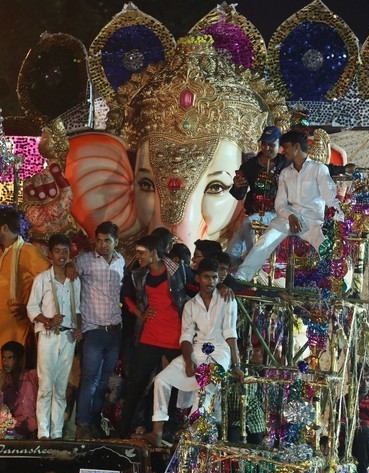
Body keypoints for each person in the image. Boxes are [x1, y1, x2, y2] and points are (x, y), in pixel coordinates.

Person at [141, 257, 242, 446]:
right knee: (161, 379)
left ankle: (193, 437)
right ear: (198, 278)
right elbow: (186, 337)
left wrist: (236, 365)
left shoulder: (227, 299)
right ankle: (157, 431)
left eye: (214, 277)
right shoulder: (190, 305)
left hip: (220, 352)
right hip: (197, 350)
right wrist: (188, 361)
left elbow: (230, 333)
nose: (210, 281)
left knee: (204, 387)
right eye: (206, 277)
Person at [236, 130, 341, 283]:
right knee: (265, 240)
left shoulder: (319, 169)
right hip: (287, 219)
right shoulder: (285, 173)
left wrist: (339, 223)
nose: (283, 151)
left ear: (296, 147)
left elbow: (331, 200)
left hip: (313, 222)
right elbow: (280, 203)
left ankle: (331, 285)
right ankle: (241, 278)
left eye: (286, 147)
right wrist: (290, 216)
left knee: (326, 247)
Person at [119, 234, 188, 438]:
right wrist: (139, 313)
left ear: (154, 253)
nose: (138, 256)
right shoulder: (139, 275)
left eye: (141, 253)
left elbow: (199, 284)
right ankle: (123, 431)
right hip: (150, 337)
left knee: (174, 386)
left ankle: (167, 431)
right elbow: (126, 296)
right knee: (136, 384)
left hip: (175, 338)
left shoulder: (178, 270)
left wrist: (223, 286)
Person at [0, 208, 49, 380]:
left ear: (4, 228)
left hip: (15, 326)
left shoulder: (28, 251)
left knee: (14, 374)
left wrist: (31, 308)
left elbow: (50, 281)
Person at [72, 221, 125, 439]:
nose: (102, 245)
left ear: (116, 242)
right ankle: (82, 424)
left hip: (115, 330)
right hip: (93, 329)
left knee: (103, 381)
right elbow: (68, 278)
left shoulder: (120, 260)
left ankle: (94, 421)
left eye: (107, 241)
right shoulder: (84, 261)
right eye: (99, 240)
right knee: (89, 379)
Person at [27, 234, 82, 439]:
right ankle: (43, 431)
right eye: (57, 251)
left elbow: (78, 309)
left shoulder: (74, 280)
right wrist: (48, 320)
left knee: (60, 386)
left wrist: (78, 328)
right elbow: (32, 308)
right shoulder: (42, 279)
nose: (61, 255)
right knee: (45, 385)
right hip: (48, 335)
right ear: (50, 254)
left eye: (65, 251)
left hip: (68, 337)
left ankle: (57, 432)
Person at [227, 126, 284, 261]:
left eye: (271, 145)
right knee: (231, 253)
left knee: (249, 223)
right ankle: (236, 269)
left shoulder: (286, 164)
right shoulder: (249, 166)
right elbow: (239, 195)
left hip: (276, 212)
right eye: (264, 144)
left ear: (279, 145)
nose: (266, 148)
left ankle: (255, 261)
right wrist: (237, 186)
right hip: (254, 212)